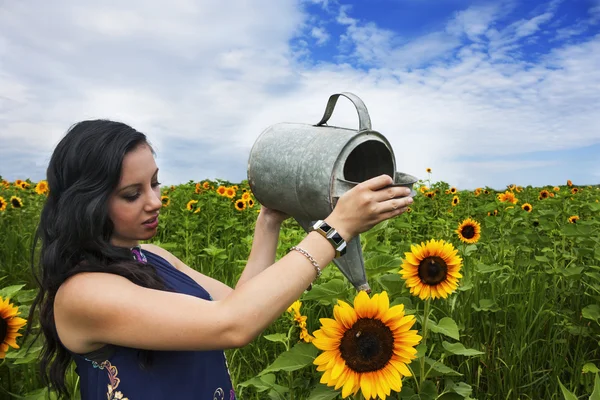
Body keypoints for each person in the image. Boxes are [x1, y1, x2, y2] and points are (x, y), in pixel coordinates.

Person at [26, 119, 414, 399]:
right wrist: (335, 229)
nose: (156, 201)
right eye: (132, 193)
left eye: (155, 182)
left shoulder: (152, 257)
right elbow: (233, 325)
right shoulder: (84, 295)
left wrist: (270, 218)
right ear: (86, 202)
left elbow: (237, 300)